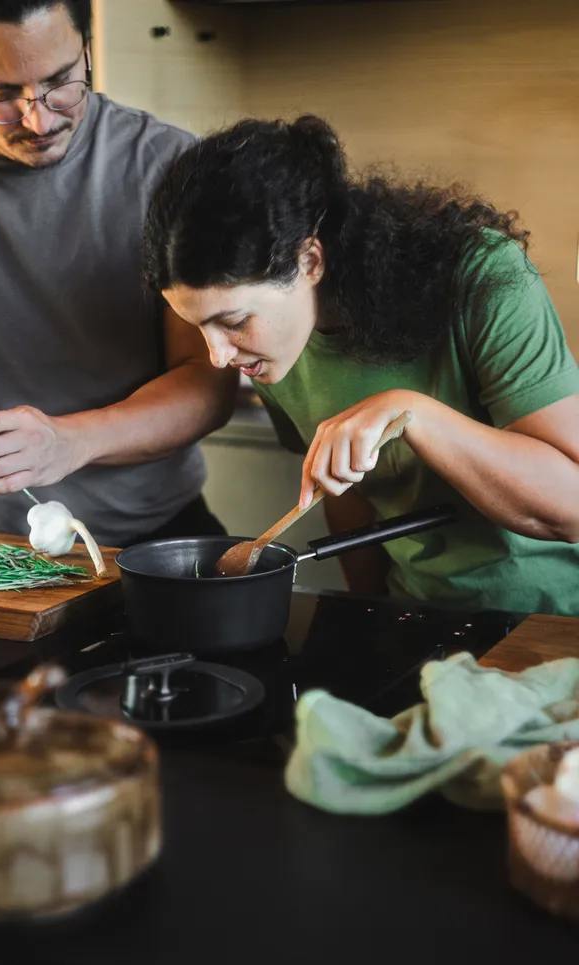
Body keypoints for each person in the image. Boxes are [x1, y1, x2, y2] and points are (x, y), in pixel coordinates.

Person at [143, 115, 579, 615]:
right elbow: (346, 494)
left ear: (309, 261)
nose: (218, 355)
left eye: (235, 321)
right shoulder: (272, 351)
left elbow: (570, 508)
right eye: (199, 328)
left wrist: (411, 413)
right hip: (417, 612)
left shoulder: (483, 275)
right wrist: (366, 615)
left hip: (553, 621)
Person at [0, 0, 236, 547]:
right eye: (2, 95)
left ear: (87, 49)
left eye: (61, 82)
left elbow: (208, 384)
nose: (39, 120)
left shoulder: (171, 167)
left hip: (150, 544)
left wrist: (69, 442)